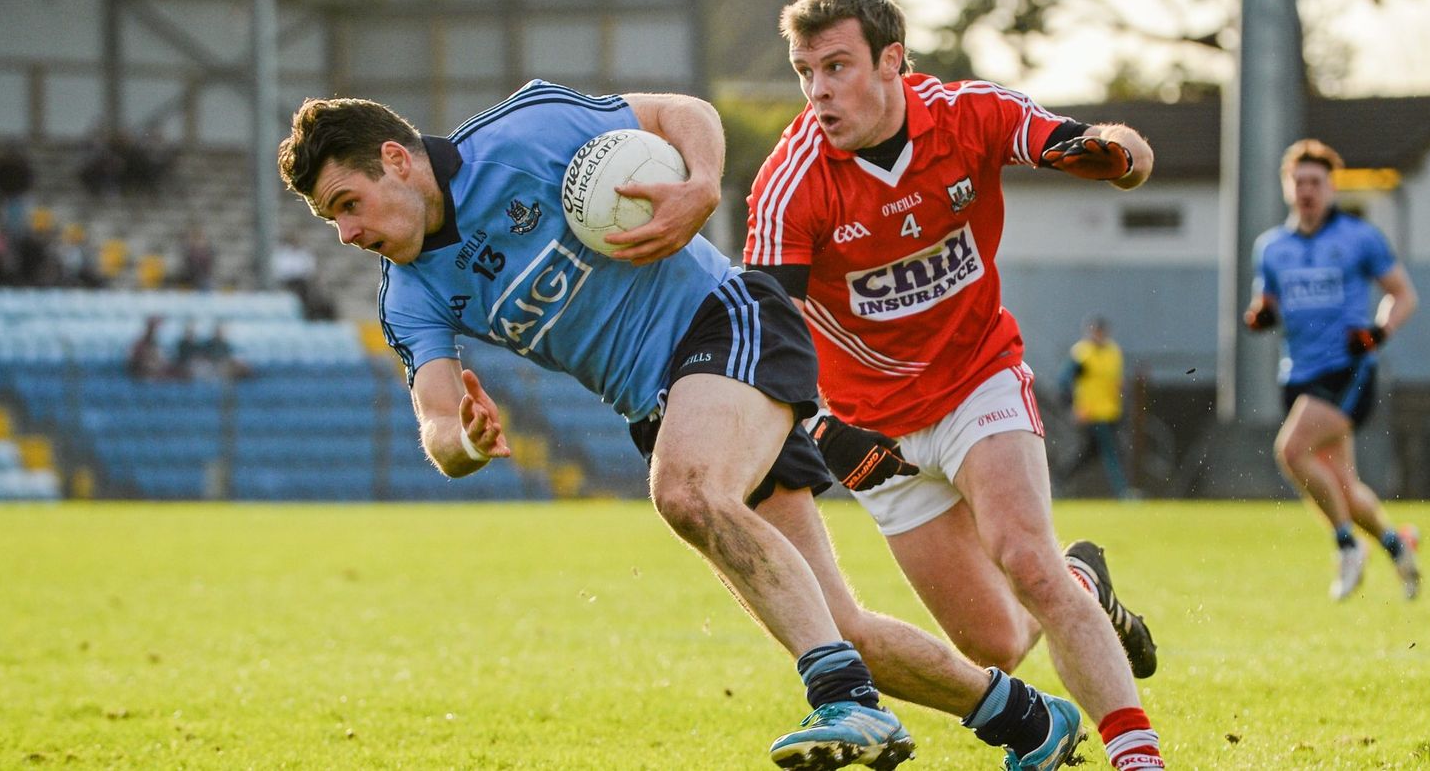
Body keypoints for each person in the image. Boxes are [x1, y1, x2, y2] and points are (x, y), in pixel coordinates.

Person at [277, 83, 1088, 771]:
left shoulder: (524, 131)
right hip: (664, 404)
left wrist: (701, 184)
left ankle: (844, 703)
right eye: (330, 221)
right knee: (838, 626)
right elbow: (436, 426)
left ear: (396, 159)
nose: (347, 233)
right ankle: (1026, 720)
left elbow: (677, 111)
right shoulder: (410, 292)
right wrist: (466, 438)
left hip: (727, 319)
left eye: (347, 205)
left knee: (685, 490)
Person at [744, 0, 1164, 771]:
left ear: (891, 60)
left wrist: (1120, 157)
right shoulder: (791, 180)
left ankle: (1136, 757)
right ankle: (1086, 583)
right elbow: (769, 331)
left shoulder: (970, 114)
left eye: (837, 67)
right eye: (806, 72)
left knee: (1025, 558)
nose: (819, 92)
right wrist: (826, 432)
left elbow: (1096, 145)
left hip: (979, 380)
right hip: (875, 430)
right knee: (997, 642)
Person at [1243, 138, 1421, 601]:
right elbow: (1269, 301)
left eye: (1315, 182)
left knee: (1292, 451)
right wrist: (1262, 314)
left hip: (1347, 370)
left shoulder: (1358, 237)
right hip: (1297, 374)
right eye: (1298, 181)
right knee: (1342, 484)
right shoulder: (1271, 247)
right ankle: (1396, 546)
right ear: (1287, 187)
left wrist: (1377, 333)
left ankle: (1347, 546)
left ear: (1331, 186)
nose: (1306, 190)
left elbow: (1403, 294)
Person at [1058, 316, 1134, 499]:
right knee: (1112, 450)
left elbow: (1116, 380)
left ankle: (1058, 479)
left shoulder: (1113, 352)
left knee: (1088, 454)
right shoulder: (1082, 354)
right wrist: (1073, 407)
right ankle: (1123, 492)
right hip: (1092, 412)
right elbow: (1064, 381)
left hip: (1111, 411)